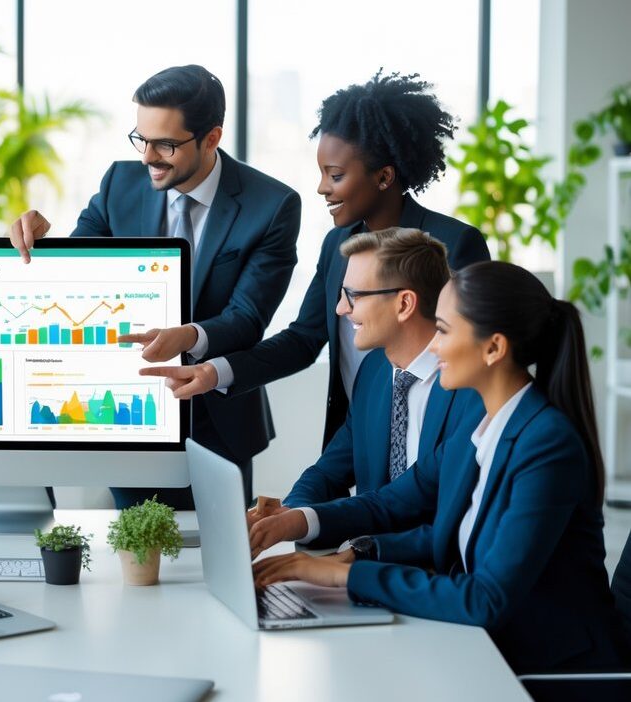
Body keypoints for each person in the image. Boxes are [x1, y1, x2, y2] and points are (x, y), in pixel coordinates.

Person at [250, 261, 631, 674]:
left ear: (493, 348)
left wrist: (343, 578)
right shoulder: (480, 429)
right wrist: (332, 540)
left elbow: (485, 598)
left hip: (553, 671)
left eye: (444, 331)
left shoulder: (547, 445)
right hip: (491, 647)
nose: (432, 347)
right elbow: (390, 505)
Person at [139, 72, 490, 450]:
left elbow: (473, 364)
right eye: (322, 173)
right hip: (355, 447)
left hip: (435, 447)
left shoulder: (454, 245)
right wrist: (215, 372)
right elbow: (302, 340)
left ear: (384, 176)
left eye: (335, 175)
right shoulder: (338, 246)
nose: (322, 188)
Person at [8, 64, 301, 507]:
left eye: (165, 144)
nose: (147, 157)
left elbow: (247, 318)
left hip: (217, 422)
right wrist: (44, 241)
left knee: (216, 548)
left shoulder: (272, 206)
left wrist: (189, 337)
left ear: (211, 139)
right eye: (140, 139)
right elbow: (77, 277)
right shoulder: (119, 184)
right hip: (129, 414)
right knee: (130, 543)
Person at [244, 228, 484, 562]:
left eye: (353, 295)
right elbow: (329, 471)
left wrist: (353, 559)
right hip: (370, 569)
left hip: (435, 574)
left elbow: (440, 519)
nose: (341, 309)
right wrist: (290, 515)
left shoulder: (474, 391)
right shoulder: (374, 371)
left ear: (404, 304)